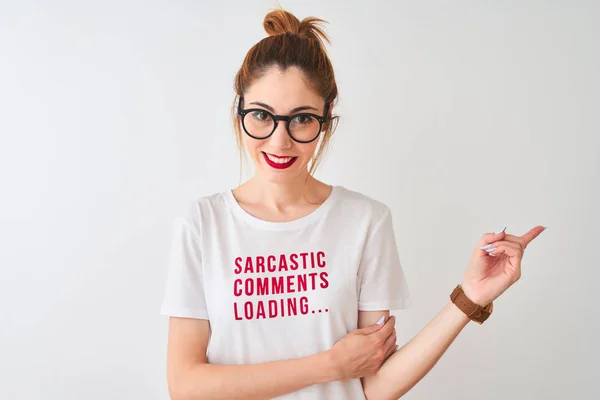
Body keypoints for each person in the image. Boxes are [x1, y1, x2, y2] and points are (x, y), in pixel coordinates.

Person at [159, 8, 545, 400]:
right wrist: (327, 366)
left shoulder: (365, 221)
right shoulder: (203, 224)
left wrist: (468, 299)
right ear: (238, 110)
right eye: (261, 115)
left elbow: (373, 386)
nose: (279, 141)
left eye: (302, 119)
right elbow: (186, 386)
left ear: (326, 120)